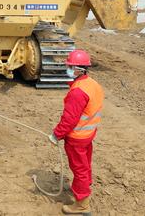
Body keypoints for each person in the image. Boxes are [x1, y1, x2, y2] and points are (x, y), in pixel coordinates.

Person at [49, 49, 104, 214]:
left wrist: (56, 134)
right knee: (85, 165)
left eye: (71, 66)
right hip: (88, 134)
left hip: (77, 138)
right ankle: (85, 186)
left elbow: (69, 119)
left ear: (81, 69)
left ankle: (82, 204)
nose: (69, 69)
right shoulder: (92, 84)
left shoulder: (78, 92)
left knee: (79, 169)